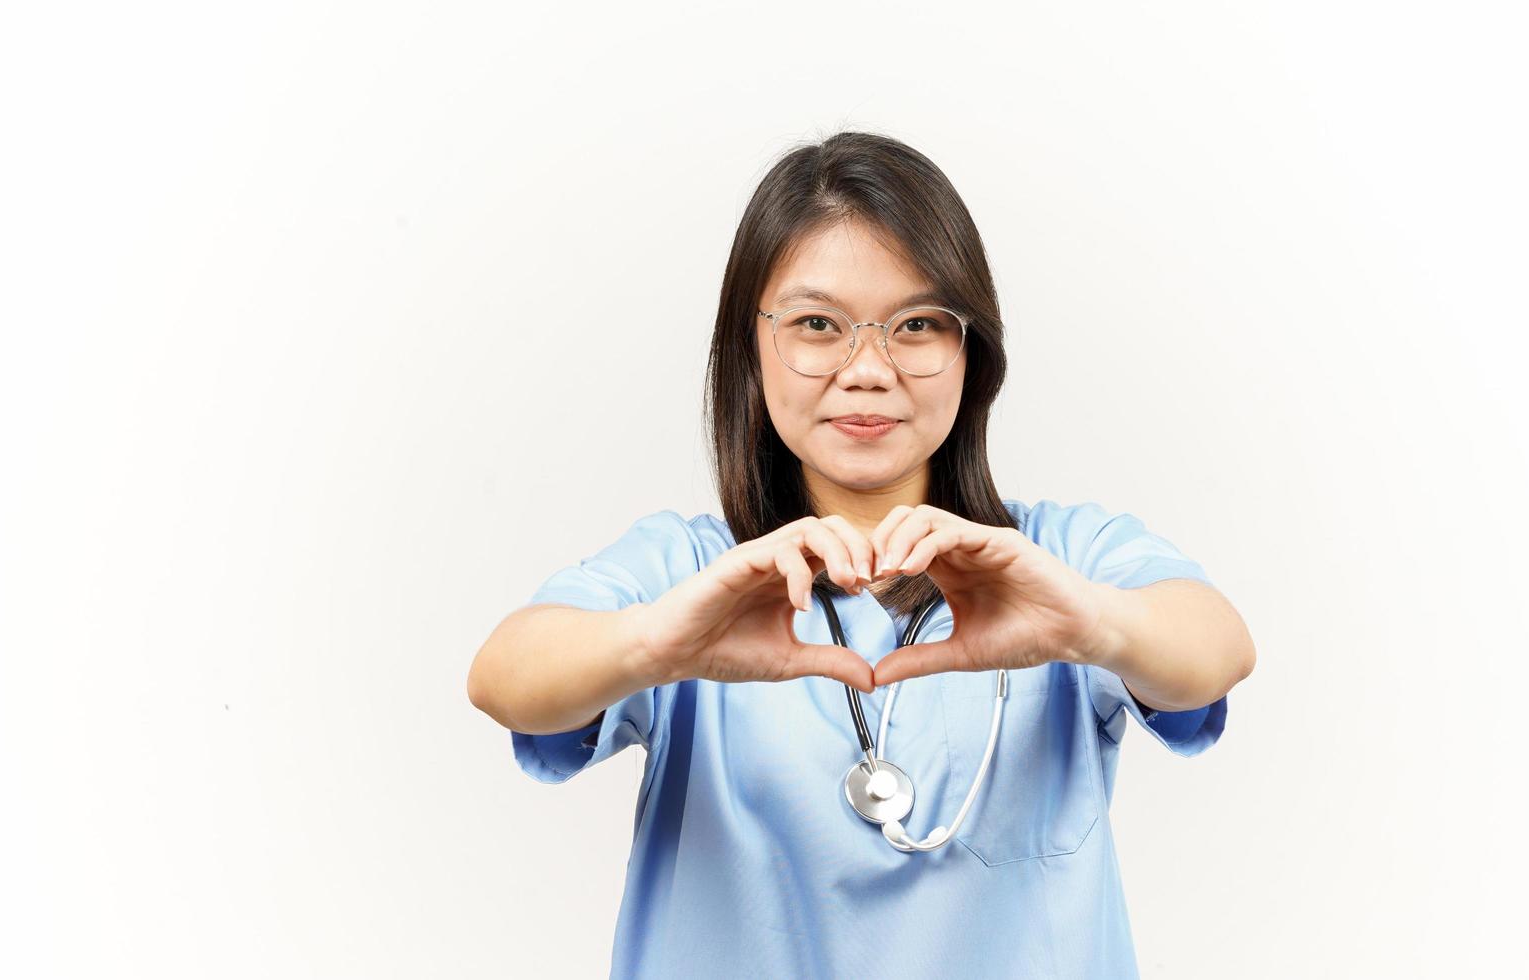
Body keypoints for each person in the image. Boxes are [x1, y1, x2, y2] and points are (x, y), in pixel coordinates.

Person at [466, 131, 1257, 978]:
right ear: (752, 344)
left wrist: (1091, 624)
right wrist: (653, 644)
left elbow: (1215, 651)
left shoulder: (1057, 558)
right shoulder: (692, 575)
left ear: (971, 351)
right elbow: (505, 679)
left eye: (917, 325)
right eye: (816, 324)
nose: (868, 368)